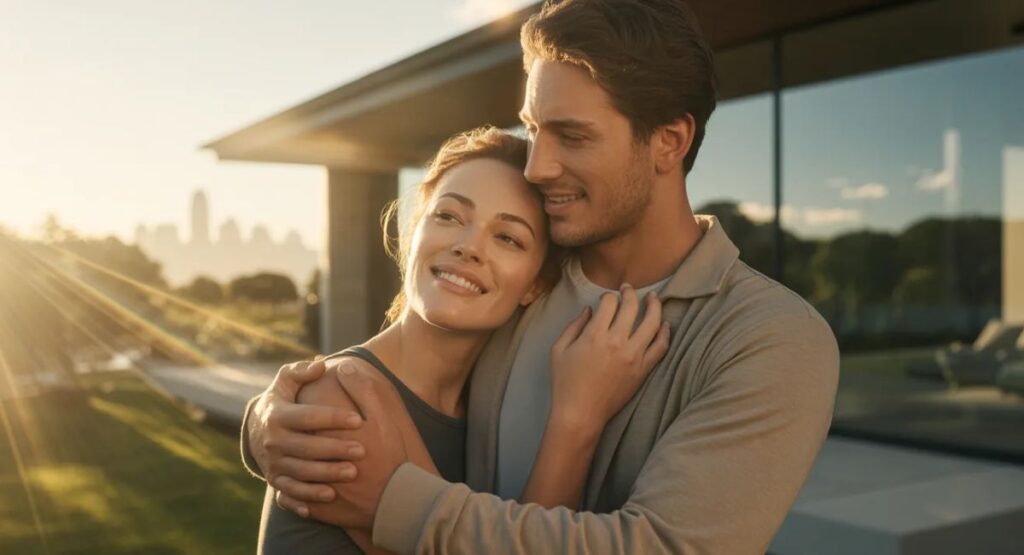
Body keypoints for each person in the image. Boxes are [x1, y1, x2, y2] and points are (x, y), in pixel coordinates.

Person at [244, 1, 840, 553]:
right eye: (534, 129)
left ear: (670, 142)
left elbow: (663, 548)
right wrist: (270, 422)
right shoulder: (524, 277)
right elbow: (403, 374)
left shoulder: (770, 337)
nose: (538, 165)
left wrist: (391, 499)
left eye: (572, 136)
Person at [256, 126, 670, 554]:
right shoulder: (341, 397)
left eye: (507, 238)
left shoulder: (492, 405)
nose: (468, 247)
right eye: (449, 216)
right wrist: (577, 419)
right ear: (415, 230)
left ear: (534, 286)